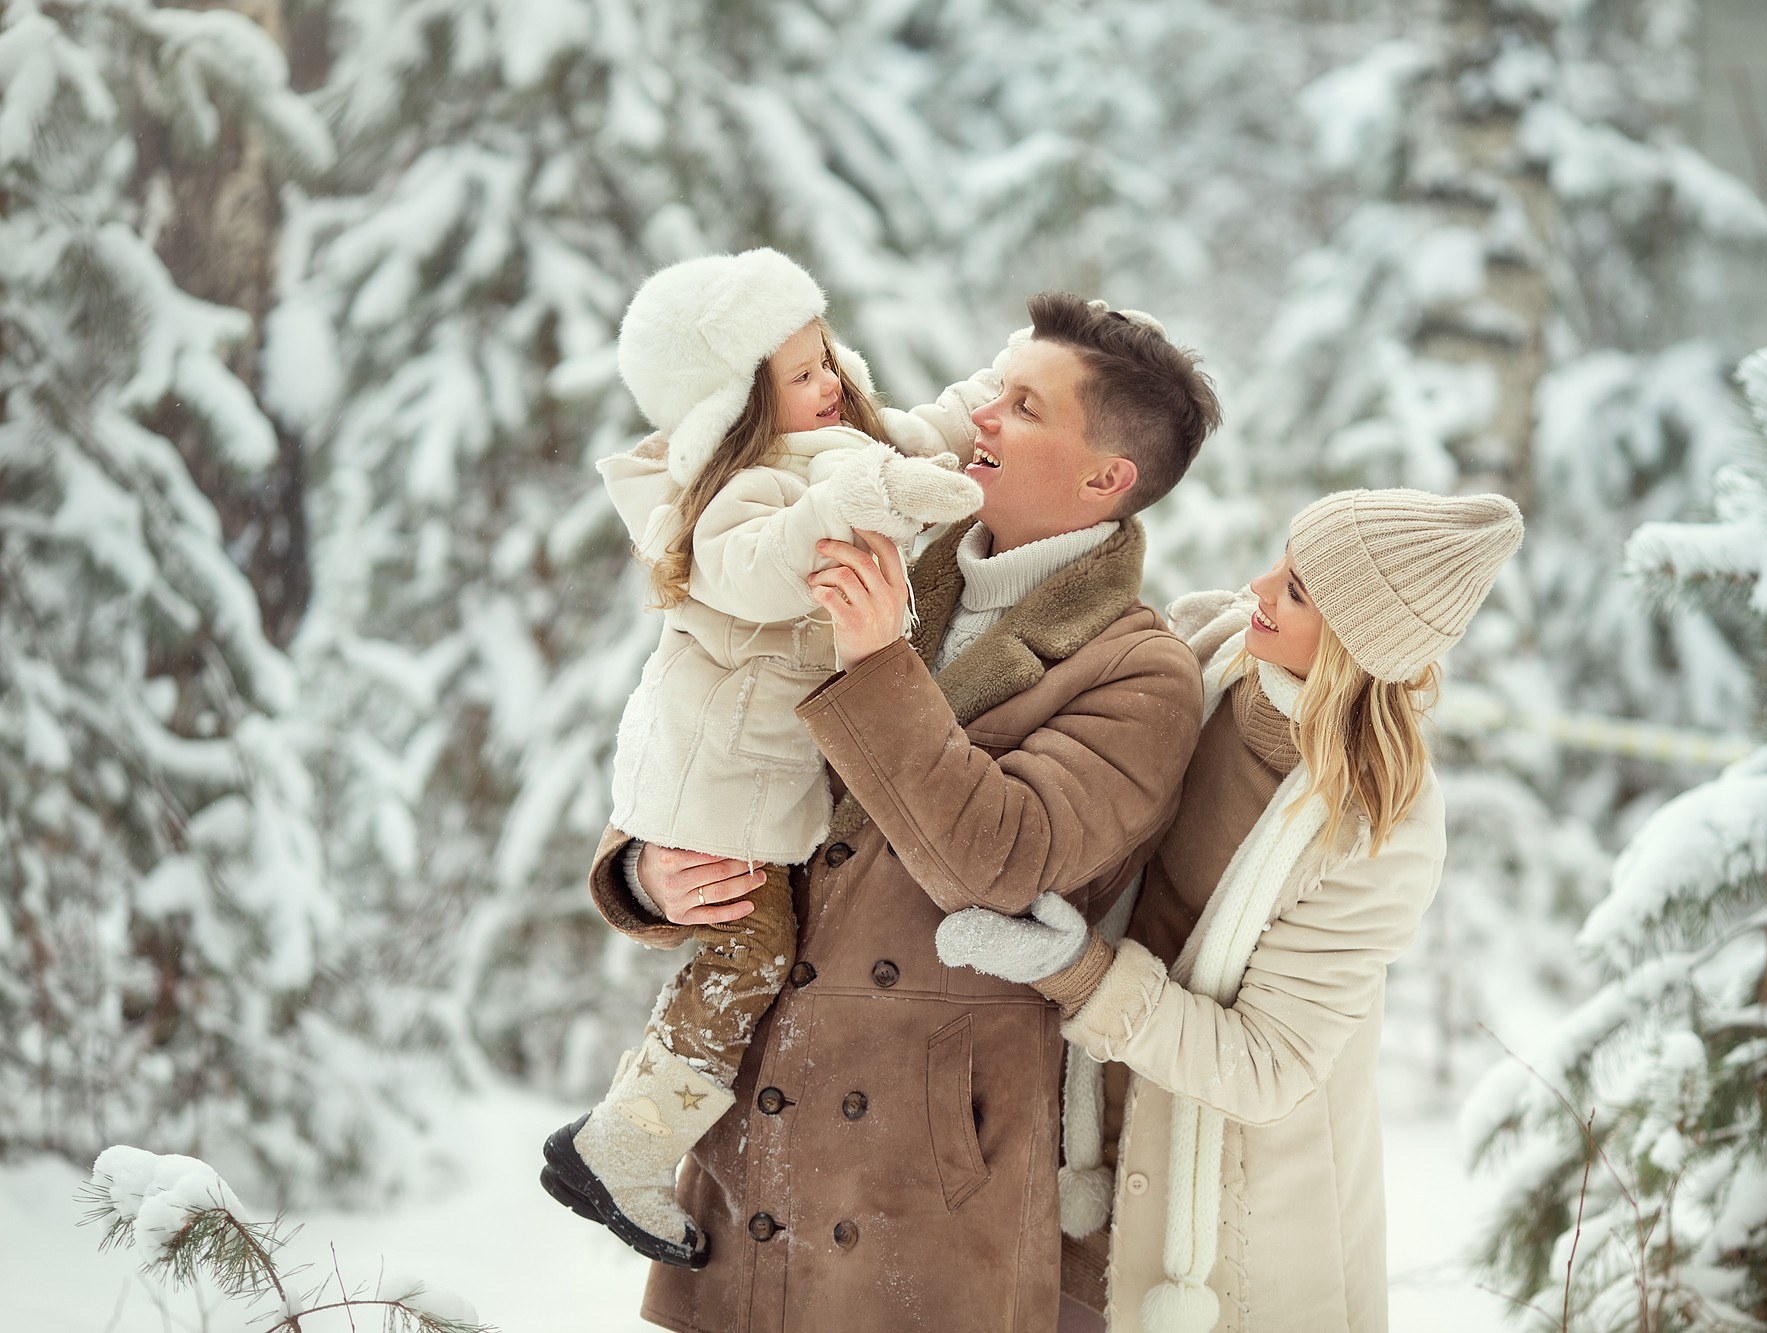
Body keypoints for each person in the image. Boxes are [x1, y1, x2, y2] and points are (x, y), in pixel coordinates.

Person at [585, 292, 1225, 1330]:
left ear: (1106, 477)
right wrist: (641, 870)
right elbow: (711, 720)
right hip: (755, 1142)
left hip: (924, 1183)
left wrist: (879, 662)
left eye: (1021, 405)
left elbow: (999, 859)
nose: (980, 413)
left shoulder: (1135, 671)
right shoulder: (879, 542)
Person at [938, 487, 1524, 1332]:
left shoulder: (1377, 828)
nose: (1258, 585)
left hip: (1219, 1216)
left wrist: (1078, 972)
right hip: (1080, 1136)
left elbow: (1267, 1064)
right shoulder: (1207, 655)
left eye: (1297, 591)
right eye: (1283, 563)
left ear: (1360, 641)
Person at [540, 248, 995, 1267]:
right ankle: (621, 1146)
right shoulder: (730, 497)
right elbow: (756, 570)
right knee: (746, 952)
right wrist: (863, 494)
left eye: (825, 356)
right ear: (738, 408)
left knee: (748, 950)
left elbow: (919, 434)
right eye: (802, 375)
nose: (830, 383)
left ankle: (627, 1137)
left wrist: (992, 391)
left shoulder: (826, 450)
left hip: (753, 785)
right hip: (725, 786)